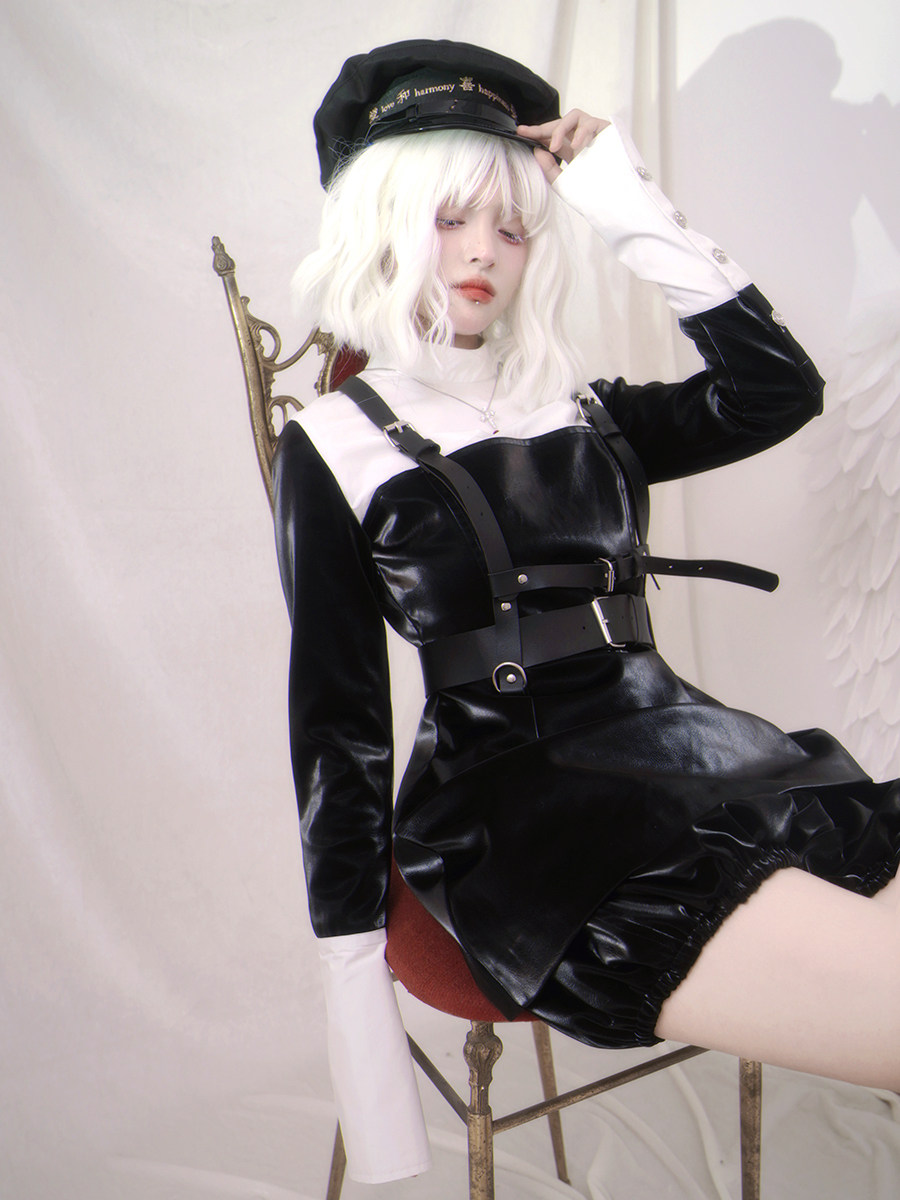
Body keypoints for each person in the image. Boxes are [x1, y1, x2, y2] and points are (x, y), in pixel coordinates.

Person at [272, 39, 900, 1184]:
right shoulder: (334, 444)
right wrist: (358, 1019)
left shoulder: (579, 408)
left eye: (513, 227)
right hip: (525, 807)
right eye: (450, 218)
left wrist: (619, 193)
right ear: (384, 218)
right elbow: (337, 725)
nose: (483, 251)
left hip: (696, 753)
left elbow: (775, 389)